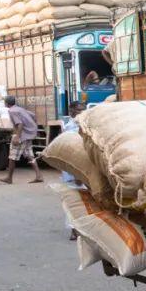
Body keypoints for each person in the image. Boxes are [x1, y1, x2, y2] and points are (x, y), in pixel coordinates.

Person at [1, 96, 42, 185]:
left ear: (7, 103)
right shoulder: (20, 109)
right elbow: (33, 115)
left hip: (22, 135)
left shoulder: (11, 111)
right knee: (29, 155)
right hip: (29, 134)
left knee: (12, 157)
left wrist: (17, 137)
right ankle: (39, 176)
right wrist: (32, 127)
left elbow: (19, 124)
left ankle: (9, 178)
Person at [61, 102, 86, 239]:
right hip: (74, 171)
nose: (82, 113)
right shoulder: (71, 128)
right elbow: (72, 152)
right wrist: (76, 172)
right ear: (71, 112)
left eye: (83, 110)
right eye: (79, 111)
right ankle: (73, 230)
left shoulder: (84, 125)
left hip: (83, 170)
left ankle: (80, 228)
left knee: (84, 201)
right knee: (74, 201)